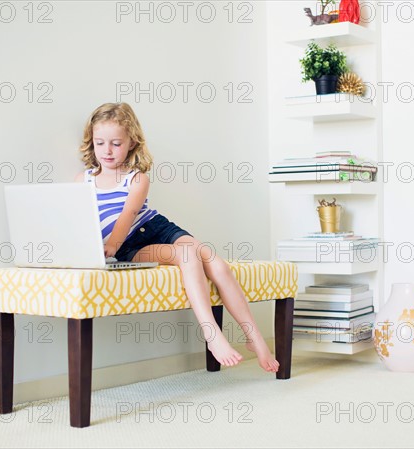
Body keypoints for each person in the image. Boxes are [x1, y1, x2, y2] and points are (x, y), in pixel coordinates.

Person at [75, 102, 279, 373]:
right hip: (130, 247)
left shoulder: (136, 179)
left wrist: (110, 245)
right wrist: (98, 249)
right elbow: (78, 221)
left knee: (218, 265)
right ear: (92, 142)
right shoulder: (83, 180)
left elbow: (128, 214)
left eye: (115, 143)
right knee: (187, 255)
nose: (107, 151)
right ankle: (211, 333)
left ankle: (253, 338)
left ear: (132, 142)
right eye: (100, 143)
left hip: (155, 228)